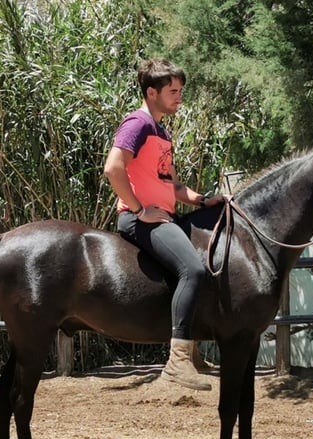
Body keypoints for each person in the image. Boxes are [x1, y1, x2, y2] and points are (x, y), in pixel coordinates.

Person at [103, 58, 225, 391]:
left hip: (164, 215)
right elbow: (113, 168)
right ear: (151, 91)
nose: (179, 97)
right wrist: (140, 209)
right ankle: (177, 364)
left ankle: (192, 352)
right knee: (193, 270)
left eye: (180, 90)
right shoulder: (137, 124)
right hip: (140, 218)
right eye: (173, 91)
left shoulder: (161, 131)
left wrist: (202, 200)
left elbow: (172, 185)